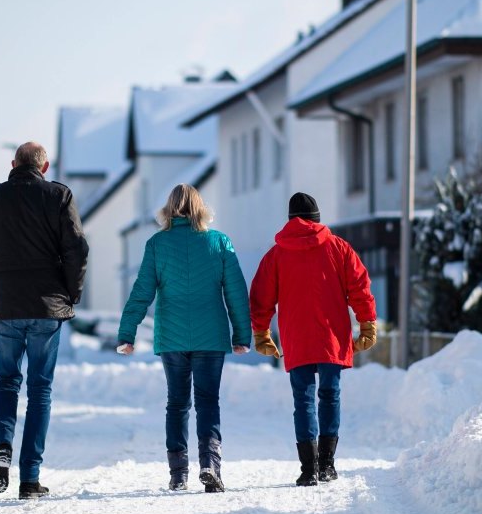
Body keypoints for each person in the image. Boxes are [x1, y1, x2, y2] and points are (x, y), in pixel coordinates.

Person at [0, 141, 88, 500]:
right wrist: (70, 295)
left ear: (13, 163)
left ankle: (2, 447)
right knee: (40, 390)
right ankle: (30, 478)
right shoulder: (59, 196)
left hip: (4, 308)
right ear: (45, 167)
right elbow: (77, 248)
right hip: (47, 309)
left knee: (6, 381)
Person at [117, 184, 251, 493]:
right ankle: (210, 466)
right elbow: (236, 293)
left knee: (177, 403)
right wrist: (241, 334)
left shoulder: (157, 244)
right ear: (201, 208)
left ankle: (178, 474)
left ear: (168, 210)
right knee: (207, 402)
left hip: (173, 338)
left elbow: (141, 293)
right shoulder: (219, 243)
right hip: (211, 337)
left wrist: (127, 333)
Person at [249, 192, 376, 486]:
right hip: (332, 336)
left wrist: (261, 331)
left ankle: (308, 469)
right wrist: (366, 323)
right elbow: (360, 286)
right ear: (317, 219)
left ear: (290, 219)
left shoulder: (276, 254)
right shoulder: (339, 248)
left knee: (303, 400)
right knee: (330, 395)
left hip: (297, 338)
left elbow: (261, 297)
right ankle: (327, 465)